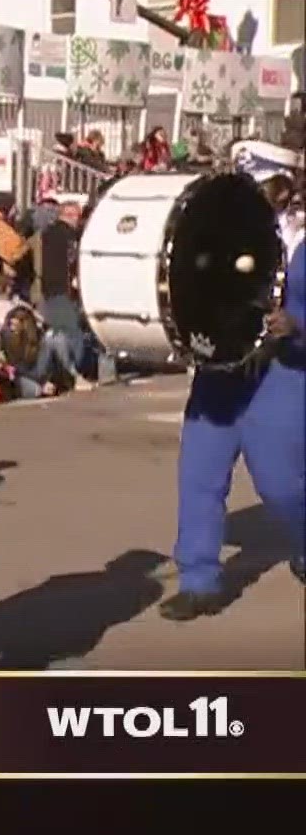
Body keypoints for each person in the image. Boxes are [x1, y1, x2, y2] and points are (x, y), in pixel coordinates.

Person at [161, 141, 306, 619]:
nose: (277, 196)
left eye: (281, 186)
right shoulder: (216, 227)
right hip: (220, 369)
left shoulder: (301, 239)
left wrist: (298, 327)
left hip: (281, 373)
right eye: (270, 186)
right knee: (199, 475)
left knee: (281, 482)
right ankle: (199, 579)